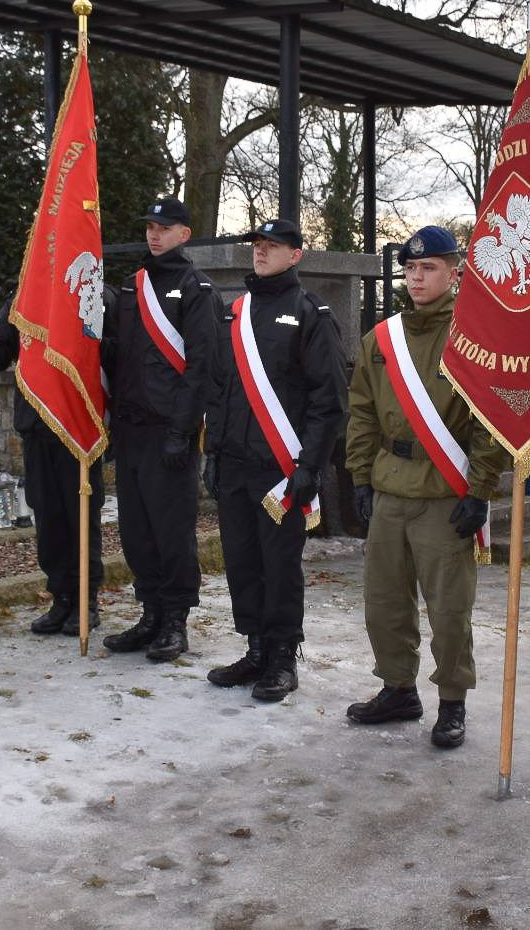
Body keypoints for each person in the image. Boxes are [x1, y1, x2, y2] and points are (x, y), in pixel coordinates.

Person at [343, 226, 506, 749]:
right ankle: (398, 689)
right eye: (410, 269)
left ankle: (452, 702)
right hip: (391, 487)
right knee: (384, 602)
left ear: (454, 273)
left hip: (445, 491)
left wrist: (479, 490)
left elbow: (488, 420)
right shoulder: (380, 340)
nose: (416, 278)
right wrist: (360, 477)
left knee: (448, 607)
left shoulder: (474, 336)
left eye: (428, 268)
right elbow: (363, 412)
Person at [203, 219, 346, 702]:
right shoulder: (234, 313)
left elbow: (330, 402)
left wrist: (310, 468)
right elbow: (220, 391)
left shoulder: (311, 314)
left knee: (278, 564)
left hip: (280, 470)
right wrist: (213, 453)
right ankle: (256, 647)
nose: (261, 253)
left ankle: (283, 656)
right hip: (237, 463)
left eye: (273, 247)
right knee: (242, 562)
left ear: (296, 255)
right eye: (258, 246)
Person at [102, 197, 220, 662]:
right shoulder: (132, 287)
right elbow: (119, 355)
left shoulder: (197, 289)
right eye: (150, 226)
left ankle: (174, 619)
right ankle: (149, 612)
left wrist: (182, 429)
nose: (154, 234)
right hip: (130, 429)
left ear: (184, 234)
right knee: (136, 529)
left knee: (171, 530)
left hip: (169, 432)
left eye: (164, 227)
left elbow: (203, 366)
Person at [0, 292, 109, 636]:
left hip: (75, 425)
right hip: (36, 425)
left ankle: (85, 600)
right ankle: (60, 597)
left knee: (80, 516)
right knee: (48, 517)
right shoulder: (23, 297)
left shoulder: (88, 289)